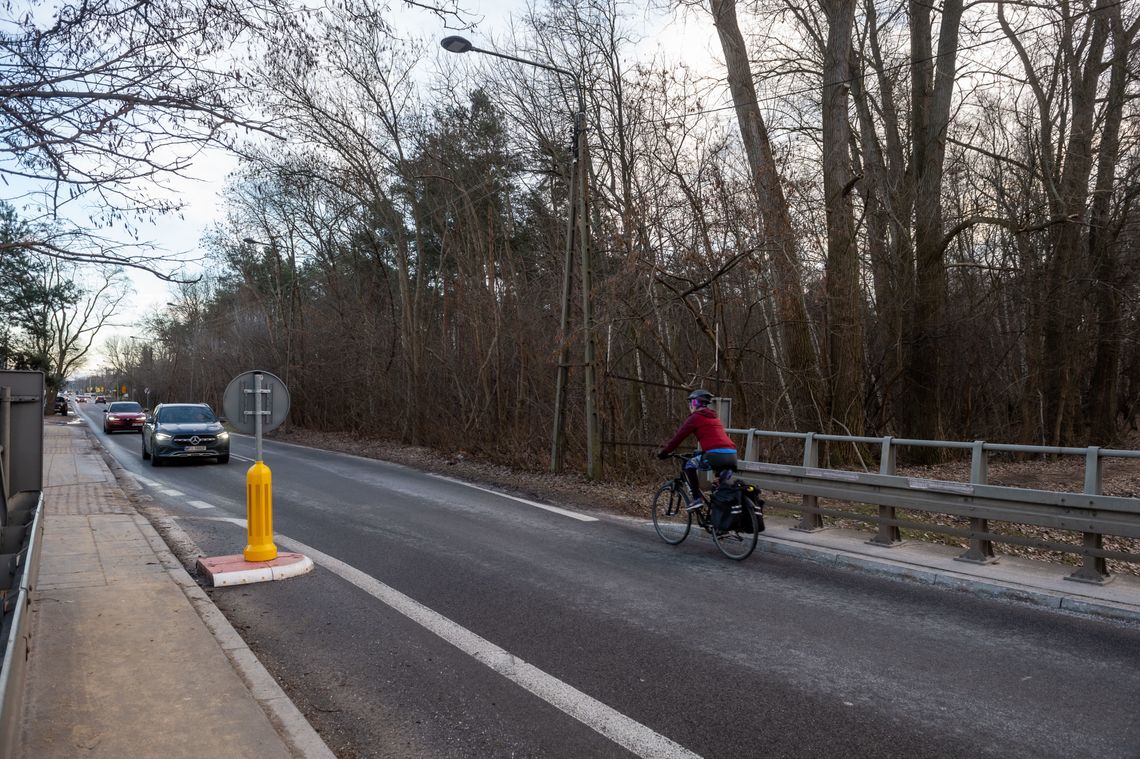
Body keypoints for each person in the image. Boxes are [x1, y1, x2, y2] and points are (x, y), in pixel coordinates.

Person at [656, 389, 738, 511]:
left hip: (715, 455)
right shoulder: (714, 417)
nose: (691, 406)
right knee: (720, 487)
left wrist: (665, 452)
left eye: (692, 403)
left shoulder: (695, 418)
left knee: (689, 465)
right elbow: (717, 441)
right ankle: (718, 516)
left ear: (696, 403)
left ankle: (696, 499)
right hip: (732, 456)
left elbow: (678, 438)